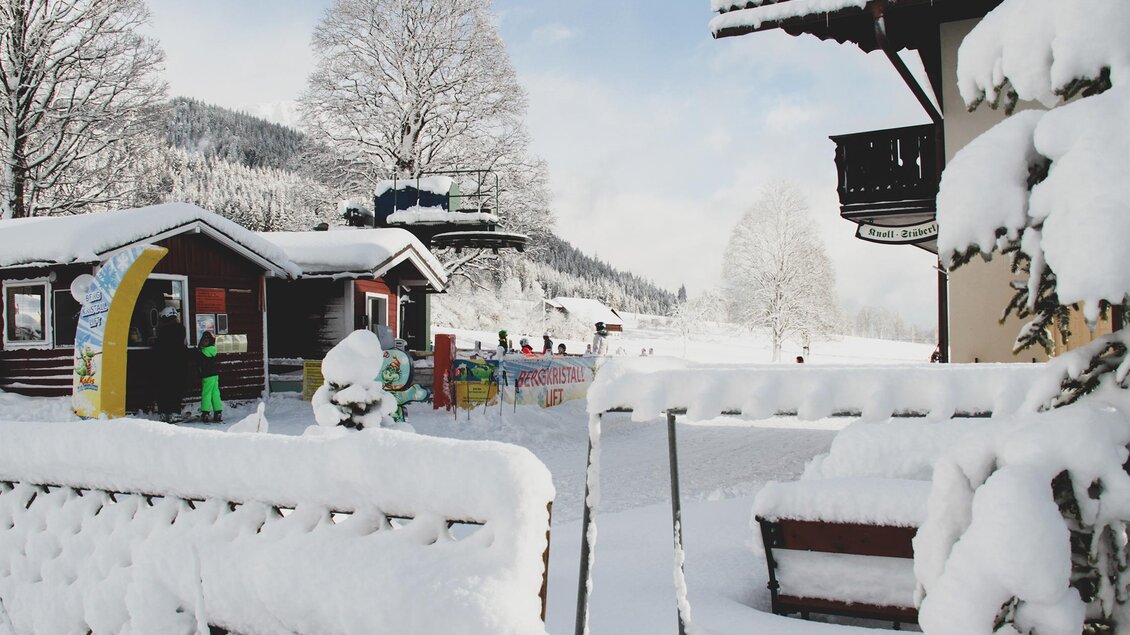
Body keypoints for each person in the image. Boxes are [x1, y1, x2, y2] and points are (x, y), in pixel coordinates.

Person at [153, 307, 188, 422]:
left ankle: (164, 412)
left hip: (164, 365)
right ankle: (174, 412)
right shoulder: (181, 329)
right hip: (178, 364)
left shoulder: (164, 331)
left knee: (164, 388)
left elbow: (159, 347)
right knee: (176, 388)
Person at [197, 331, 223, 422]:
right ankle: (218, 412)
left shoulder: (203, 352)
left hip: (207, 376)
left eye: (205, 340)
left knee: (206, 394)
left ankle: (205, 413)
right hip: (215, 375)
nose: (204, 342)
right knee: (215, 393)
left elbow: (200, 363)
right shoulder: (213, 350)